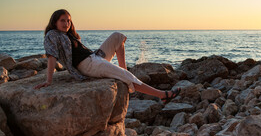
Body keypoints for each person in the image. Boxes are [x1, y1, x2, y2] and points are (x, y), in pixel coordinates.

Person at [34, 9, 180, 103]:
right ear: (54, 22)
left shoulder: (68, 34)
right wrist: (49, 80)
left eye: (68, 20)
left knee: (118, 37)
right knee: (124, 75)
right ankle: (162, 95)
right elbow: (51, 56)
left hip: (95, 57)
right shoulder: (52, 35)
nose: (66, 23)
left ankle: (124, 71)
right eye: (62, 20)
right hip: (88, 66)